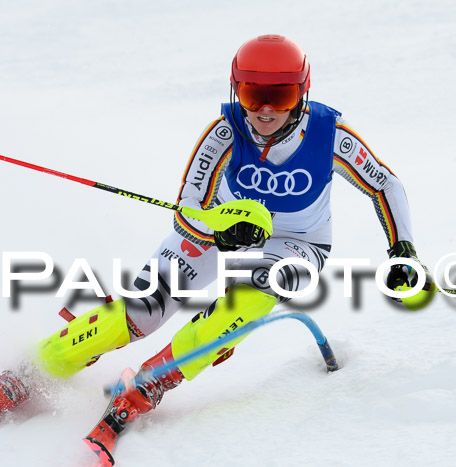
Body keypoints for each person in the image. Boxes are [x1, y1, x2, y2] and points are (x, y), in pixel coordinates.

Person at [0, 35, 433, 422]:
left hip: (298, 244)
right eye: (252, 93)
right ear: (235, 89)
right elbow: (186, 207)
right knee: (144, 309)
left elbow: (385, 185)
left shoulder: (330, 135)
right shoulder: (226, 132)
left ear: (302, 93)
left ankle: (154, 380)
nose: (264, 110)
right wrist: (216, 234)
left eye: (279, 97)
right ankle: (28, 375)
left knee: (248, 295)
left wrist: (403, 249)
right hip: (219, 230)